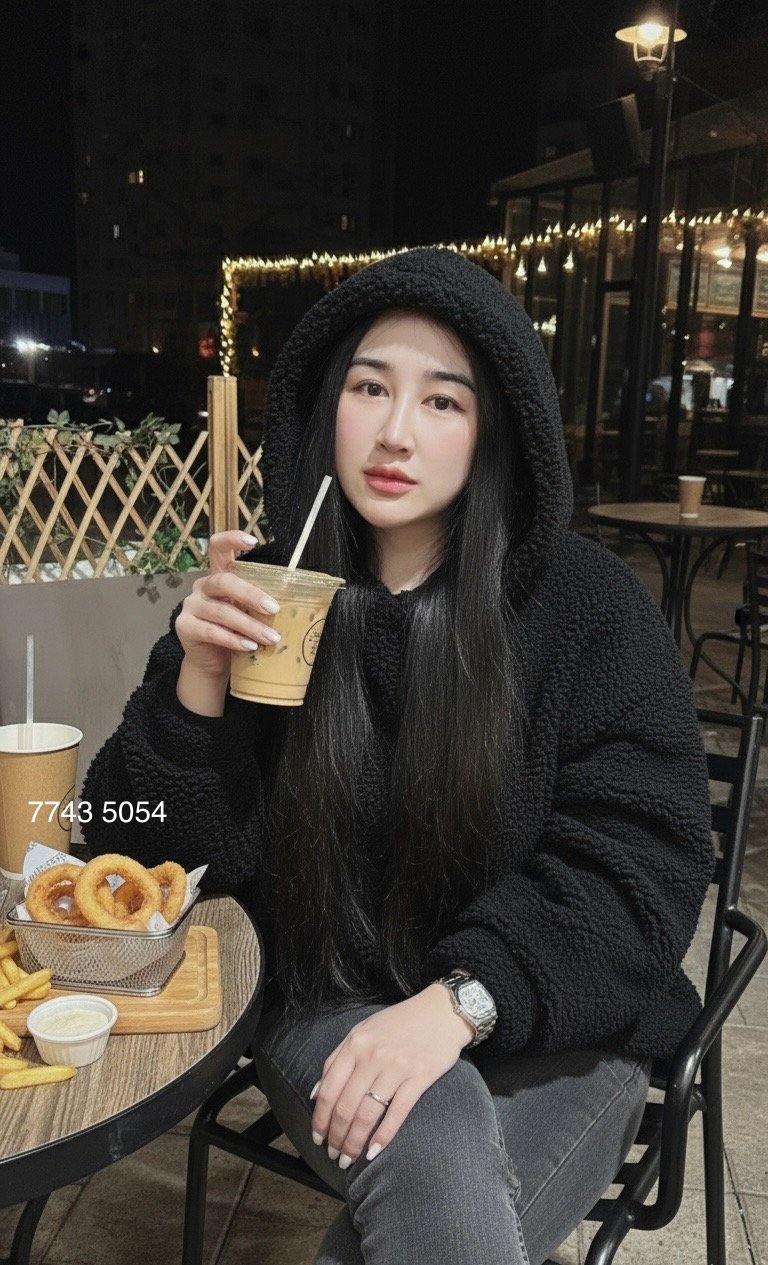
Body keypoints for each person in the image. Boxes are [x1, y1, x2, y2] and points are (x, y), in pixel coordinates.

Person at [81, 247, 714, 1265]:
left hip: (559, 1015)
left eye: (443, 401)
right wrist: (196, 687)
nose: (395, 432)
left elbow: (642, 862)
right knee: (437, 1144)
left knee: (437, 1185)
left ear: (495, 428)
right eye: (370, 387)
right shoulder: (269, 596)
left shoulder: (586, 610)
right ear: (327, 405)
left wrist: (458, 1002)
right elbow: (135, 857)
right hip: (328, 996)